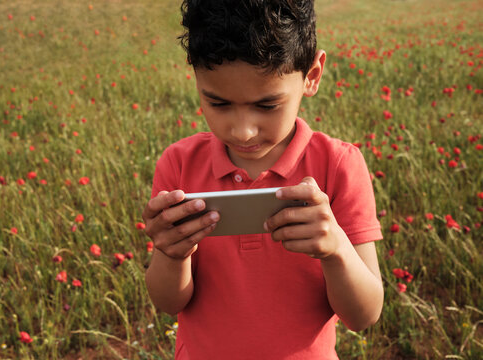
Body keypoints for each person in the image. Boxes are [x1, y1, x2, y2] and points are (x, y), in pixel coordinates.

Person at [142, 0, 384, 358]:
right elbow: (168, 302)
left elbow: (363, 315)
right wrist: (172, 253)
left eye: (267, 105)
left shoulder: (338, 165)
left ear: (312, 76)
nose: (242, 131)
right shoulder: (179, 165)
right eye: (218, 103)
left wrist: (336, 250)